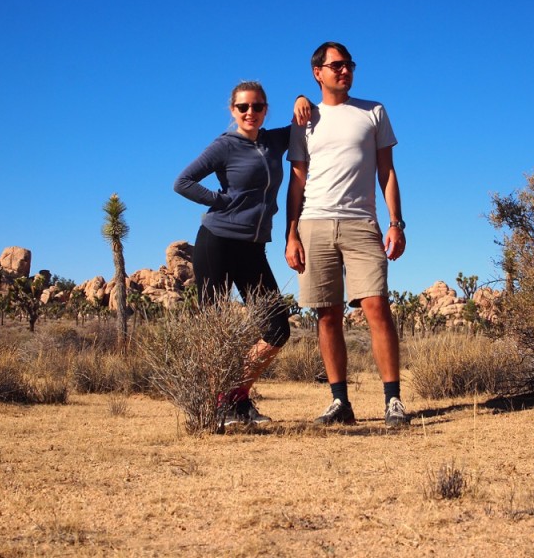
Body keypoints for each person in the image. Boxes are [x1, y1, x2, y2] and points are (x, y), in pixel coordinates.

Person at [285, 41, 409, 427]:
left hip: (361, 222)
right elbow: (297, 180)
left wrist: (396, 222)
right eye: (336, 65)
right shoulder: (304, 119)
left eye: (349, 64)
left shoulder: (373, 112)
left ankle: (393, 401)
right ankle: (341, 402)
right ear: (317, 72)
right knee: (327, 314)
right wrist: (291, 233)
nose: (345, 70)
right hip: (314, 222)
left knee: (377, 308)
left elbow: (386, 171)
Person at [174, 81, 310, 427]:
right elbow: (183, 181)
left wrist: (300, 97)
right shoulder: (225, 145)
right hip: (217, 240)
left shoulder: (272, 141)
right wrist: (221, 201)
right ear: (233, 110)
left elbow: (303, 119)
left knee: (277, 327)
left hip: (253, 247)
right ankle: (215, 407)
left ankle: (235, 395)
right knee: (213, 326)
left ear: (266, 109)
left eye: (258, 107)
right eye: (244, 107)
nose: (251, 113)